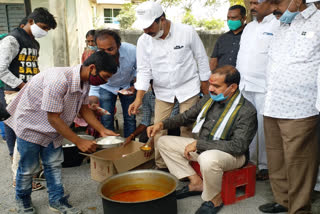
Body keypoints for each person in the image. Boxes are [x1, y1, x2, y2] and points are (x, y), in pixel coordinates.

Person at [5, 51, 119, 214]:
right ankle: (22, 200)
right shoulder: (58, 80)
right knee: (28, 168)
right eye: (105, 76)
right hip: (31, 126)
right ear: (92, 68)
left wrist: (102, 130)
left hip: (54, 129)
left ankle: (57, 200)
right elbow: (53, 118)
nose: (105, 81)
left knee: (53, 165)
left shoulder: (84, 81)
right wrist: (79, 141)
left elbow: (84, 108)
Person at [147, 65, 257, 214]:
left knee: (207, 158)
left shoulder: (247, 111)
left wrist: (200, 144)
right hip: (204, 147)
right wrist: (161, 124)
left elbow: (238, 146)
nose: (210, 89)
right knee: (163, 142)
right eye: (210, 84)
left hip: (233, 155)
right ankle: (196, 183)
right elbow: (186, 117)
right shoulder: (208, 99)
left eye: (216, 86)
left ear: (232, 87)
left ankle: (214, 199)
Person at [128, 1, 211, 169]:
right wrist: (138, 99)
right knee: (158, 129)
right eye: (143, 28)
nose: (146, 31)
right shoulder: (144, 41)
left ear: (162, 20)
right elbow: (144, 71)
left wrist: (205, 86)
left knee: (187, 128)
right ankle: (162, 166)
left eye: (150, 26)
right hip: (163, 91)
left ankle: (189, 166)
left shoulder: (187, 32)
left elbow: (201, 59)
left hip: (188, 87)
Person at [258, 0, 320, 213]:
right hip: (273, 103)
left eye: (277, 2)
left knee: (299, 162)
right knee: (276, 159)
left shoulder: (318, 22)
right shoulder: (280, 25)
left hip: (300, 107)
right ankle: (282, 201)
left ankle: (299, 208)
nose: (273, 7)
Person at [236, 0, 279, 181]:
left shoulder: (278, 24)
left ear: (270, 4)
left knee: (264, 129)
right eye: (251, 3)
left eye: (256, 3)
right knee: (248, 126)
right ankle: (251, 162)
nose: (252, 7)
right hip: (245, 85)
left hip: (264, 87)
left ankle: (265, 166)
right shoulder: (249, 27)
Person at [89, 29, 137, 138]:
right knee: (106, 118)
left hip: (127, 85)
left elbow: (141, 69)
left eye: (110, 49)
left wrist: (135, 86)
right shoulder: (96, 58)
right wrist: (93, 99)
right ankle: (110, 145)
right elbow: (93, 82)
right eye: (102, 50)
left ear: (119, 45)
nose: (106, 53)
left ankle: (130, 145)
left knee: (130, 117)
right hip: (106, 87)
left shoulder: (132, 50)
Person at [209, 5, 246, 71]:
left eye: (233, 18)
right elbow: (213, 62)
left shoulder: (249, 36)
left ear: (244, 18)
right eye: (228, 18)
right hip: (222, 78)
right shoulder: (222, 38)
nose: (230, 21)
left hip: (242, 78)